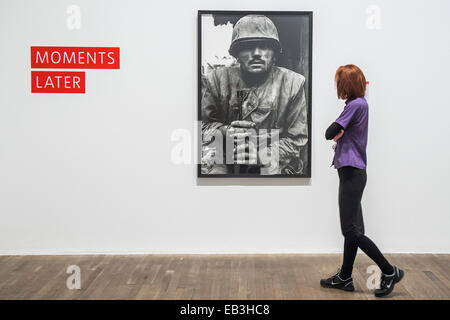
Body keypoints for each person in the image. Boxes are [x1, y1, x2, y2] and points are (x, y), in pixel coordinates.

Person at [320, 64, 404, 297]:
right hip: (352, 172)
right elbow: (336, 131)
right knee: (352, 229)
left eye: (339, 81)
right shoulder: (358, 105)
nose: (337, 86)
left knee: (351, 230)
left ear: (346, 84)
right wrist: (340, 131)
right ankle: (345, 277)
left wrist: (338, 130)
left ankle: (389, 271)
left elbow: (329, 132)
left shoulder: (355, 105)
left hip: (352, 172)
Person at [201, 15, 308, 175]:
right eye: (248, 46)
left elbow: (297, 138)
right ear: (236, 53)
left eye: (264, 46)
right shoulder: (217, 80)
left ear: (274, 53)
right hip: (227, 157)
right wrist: (226, 131)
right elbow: (203, 127)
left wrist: (260, 156)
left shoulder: (293, 83)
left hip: (275, 160)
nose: (257, 53)